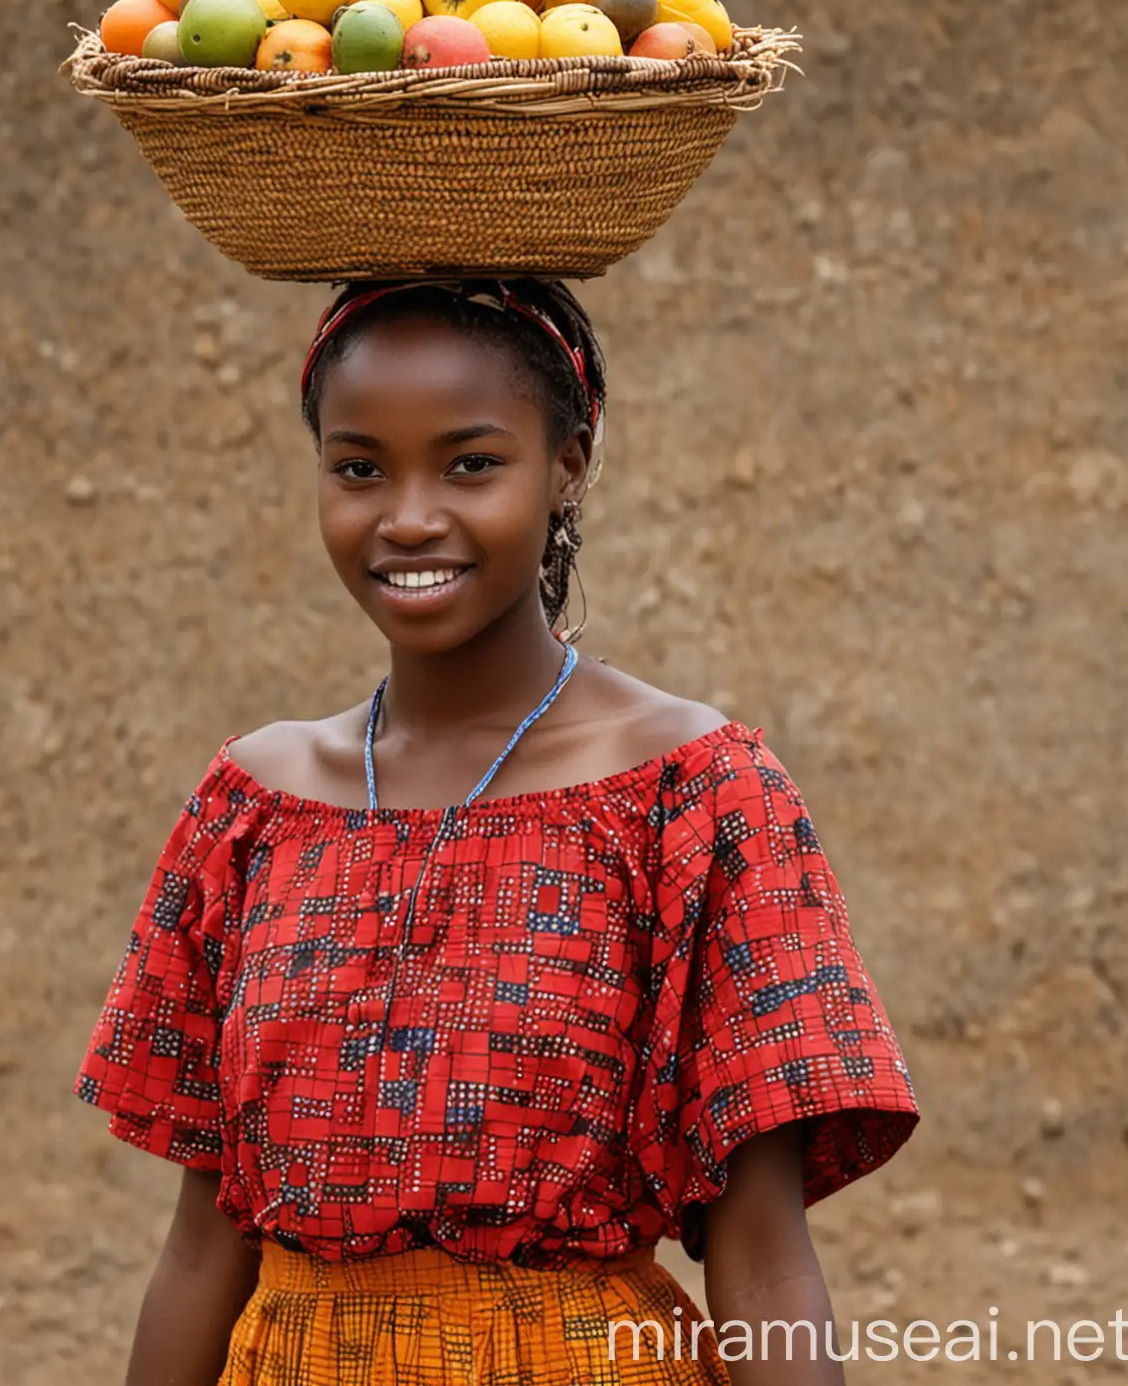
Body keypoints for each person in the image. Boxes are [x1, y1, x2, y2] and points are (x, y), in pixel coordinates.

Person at [75, 278, 920, 1386]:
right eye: (359, 467)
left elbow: (762, 1258)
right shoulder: (253, 806)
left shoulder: (695, 797)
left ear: (568, 464)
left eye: (471, 463)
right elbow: (202, 1249)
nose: (410, 516)